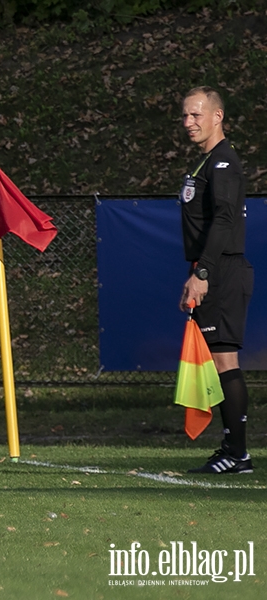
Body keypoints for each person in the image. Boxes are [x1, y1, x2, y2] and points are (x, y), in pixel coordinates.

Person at [179, 86, 254, 474]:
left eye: (196, 115)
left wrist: (204, 272)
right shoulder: (204, 163)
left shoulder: (224, 162)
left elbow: (224, 220)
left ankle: (237, 453)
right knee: (219, 360)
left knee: (225, 361)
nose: (188, 123)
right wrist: (197, 271)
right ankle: (232, 449)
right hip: (210, 269)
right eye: (186, 116)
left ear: (217, 117)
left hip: (222, 271)